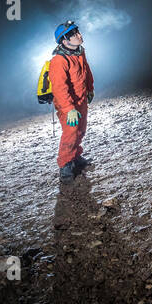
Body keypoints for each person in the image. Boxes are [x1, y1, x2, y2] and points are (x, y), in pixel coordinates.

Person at [50, 20, 94, 183]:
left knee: (81, 130)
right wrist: (69, 109)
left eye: (78, 32)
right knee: (70, 133)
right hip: (68, 105)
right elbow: (59, 88)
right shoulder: (59, 61)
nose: (79, 35)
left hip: (81, 100)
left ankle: (75, 157)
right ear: (64, 40)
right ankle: (65, 166)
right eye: (74, 34)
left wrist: (90, 88)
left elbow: (86, 71)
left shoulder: (80, 52)